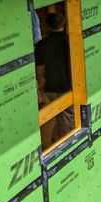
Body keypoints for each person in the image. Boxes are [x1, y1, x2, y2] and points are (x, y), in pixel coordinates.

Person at [35, 12, 75, 143]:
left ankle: (54, 142)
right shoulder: (71, 41)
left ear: (47, 25)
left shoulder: (42, 44)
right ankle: (63, 143)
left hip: (50, 86)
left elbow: (40, 67)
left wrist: (41, 82)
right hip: (70, 84)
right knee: (67, 116)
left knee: (52, 116)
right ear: (64, 23)